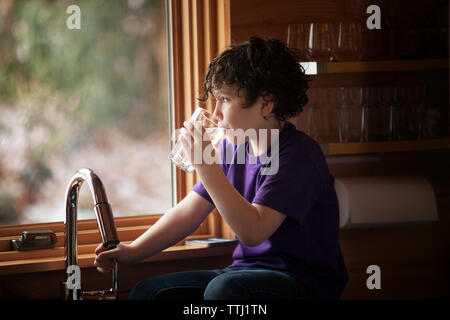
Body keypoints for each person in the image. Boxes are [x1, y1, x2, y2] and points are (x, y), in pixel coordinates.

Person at [94, 36, 348, 300]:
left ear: (266, 103)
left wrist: (205, 164)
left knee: (224, 291)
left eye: (225, 100)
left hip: (302, 283)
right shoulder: (233, 148)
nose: (215, 114)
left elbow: (253, 232)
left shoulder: (299, 156)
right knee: (148, 293)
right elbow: (190, 211)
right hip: (245, 272)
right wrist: (133, 251)